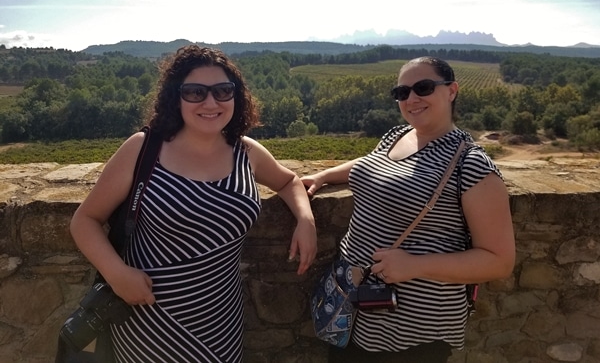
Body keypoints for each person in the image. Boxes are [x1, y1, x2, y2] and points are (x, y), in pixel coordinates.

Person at [70, 45, 317, 363]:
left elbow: (288, 181)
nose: (211, 102)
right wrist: (116, 273)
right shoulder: (144, 149)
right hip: (147, 322)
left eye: (223, 91)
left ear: (235, 96)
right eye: (195, 92)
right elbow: (85, 220)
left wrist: (305, 220)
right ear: (176, 97)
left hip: (220, 324)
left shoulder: (247, 152)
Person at [302, 56, 515, 363]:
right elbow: (370, 166)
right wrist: (324, 176)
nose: (411, 98)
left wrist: (416, 265)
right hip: (353, 306)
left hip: (412, 329)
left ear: (451, 90)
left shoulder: (471, 165)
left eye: (423, 88)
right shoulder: (397, 136)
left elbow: (499, 261)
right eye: (402, 92)